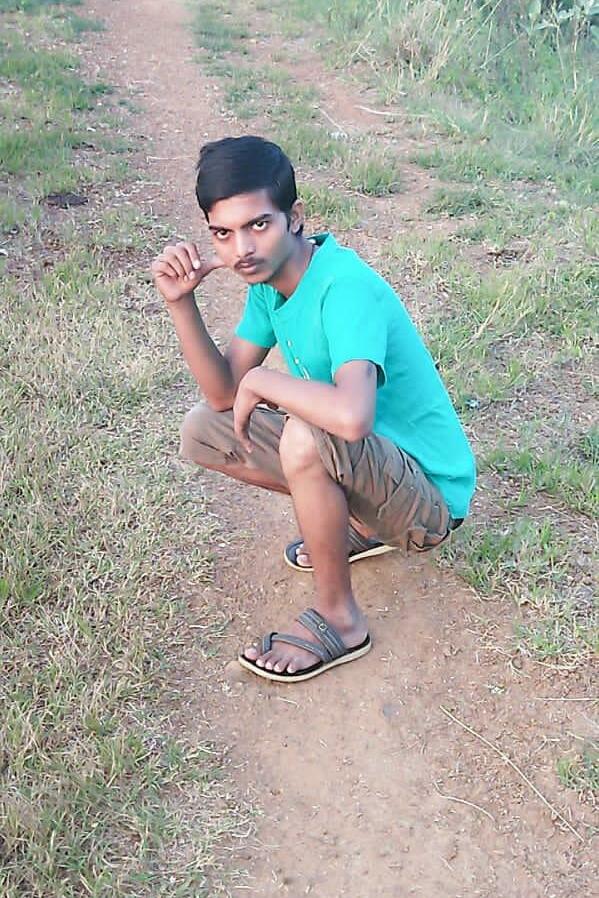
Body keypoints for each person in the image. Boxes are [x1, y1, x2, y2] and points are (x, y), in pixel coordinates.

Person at [151, 135, 476, 683]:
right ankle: (361, 522)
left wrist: (266, 380)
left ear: (295, 217)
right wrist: (181, 304)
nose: (242, 249)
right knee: (204, 430)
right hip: (376, 470)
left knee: (305, 436)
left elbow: (352, 417)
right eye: (223, 234)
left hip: (429, 503)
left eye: (258, 225)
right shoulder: (268, 284)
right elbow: (224, 395)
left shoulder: (344, 287)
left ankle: (341, 620)